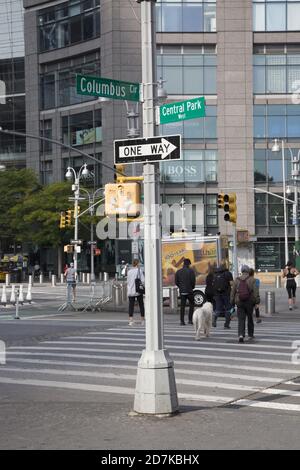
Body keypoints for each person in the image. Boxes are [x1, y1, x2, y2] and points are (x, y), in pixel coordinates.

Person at [230, 265, 260, 343]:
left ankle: (241, 335)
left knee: (241, 319)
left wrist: (232, 302)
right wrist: (257, 301)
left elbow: (232, 292)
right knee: (250, 318)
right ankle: (250, 334)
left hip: (239, 302)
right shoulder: (253, 280)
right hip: (249, 302)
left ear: (242, 271)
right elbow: (256, 292)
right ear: (248, 271)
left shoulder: (236, 280)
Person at [175, 258, 196, 325]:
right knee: (192, 305)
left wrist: (180, 287)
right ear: (189, 264)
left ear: (183, 264)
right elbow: (193, 281)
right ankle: (190, 320)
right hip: (189, 290)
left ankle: (182, 321)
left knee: (182, 306)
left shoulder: (178, 271)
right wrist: (192, 287)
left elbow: (176, 282)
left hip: (182, 291)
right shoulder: (191, 271)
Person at [212, 265, 232, 329]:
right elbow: (231, 283)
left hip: (217, 294)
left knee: (218, 308)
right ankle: (226, 324)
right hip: (226, 293)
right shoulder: (228, 274)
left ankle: (214, 318)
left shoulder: (215, 274)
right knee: (228, 309)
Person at [127, 259, 145, 326]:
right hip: (138, 290)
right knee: (141, 305)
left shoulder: (129, 271)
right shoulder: (139, 271)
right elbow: (143, 281)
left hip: (131, 291)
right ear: (137, 264)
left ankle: (131, 320)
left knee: (131, 306)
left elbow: (128, 281)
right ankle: (142, 320)